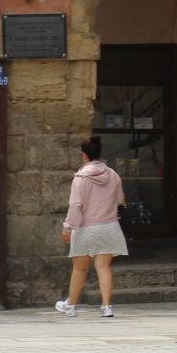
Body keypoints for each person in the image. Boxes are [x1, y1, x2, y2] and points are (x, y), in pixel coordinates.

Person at [57, 135, 128, 318]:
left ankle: (71, 305)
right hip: (109, 226)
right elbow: (120, 199)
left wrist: (68, 227)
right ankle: (106, 306)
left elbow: (75, 206)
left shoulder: (80, 178)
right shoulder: (113, 175)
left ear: (84, 156)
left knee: (80, 268)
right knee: (103, 266)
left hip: (85, 228)